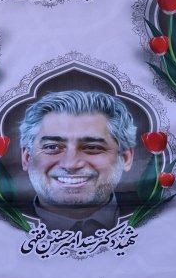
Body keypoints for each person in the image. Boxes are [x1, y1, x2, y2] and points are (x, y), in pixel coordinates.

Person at [19, 89, 136, 233]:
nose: (71, 164)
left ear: (125, 158)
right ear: (27, 158)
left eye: (92, 147)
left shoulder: (158, 213)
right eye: (52, 147)